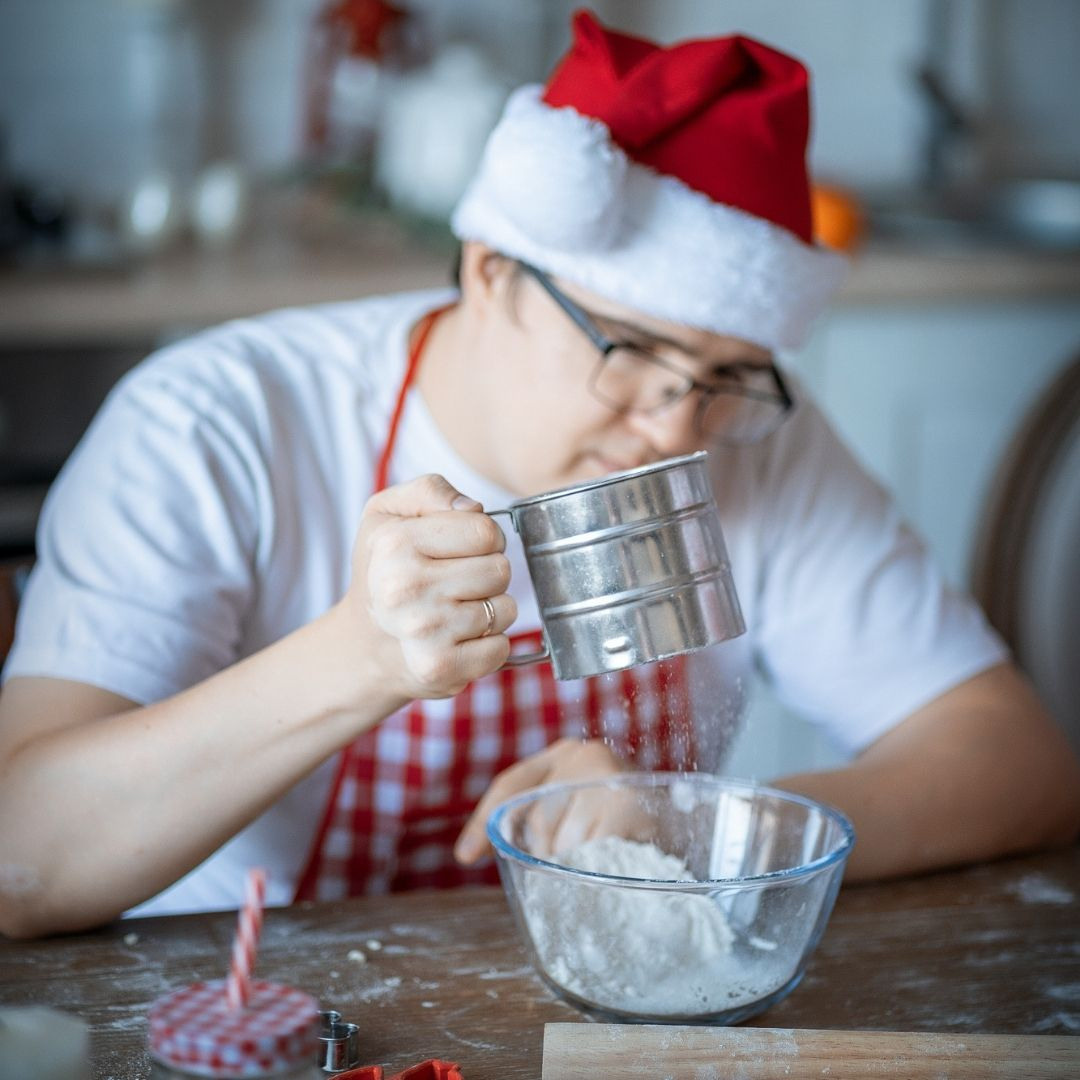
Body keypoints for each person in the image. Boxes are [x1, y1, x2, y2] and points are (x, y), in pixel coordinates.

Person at [1, 10, 1078, 940]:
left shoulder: (756, 438)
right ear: (494, 274)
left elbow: (1018, 766)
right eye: (631, 352)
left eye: (726, 374)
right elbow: (23, 859)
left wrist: (685, 824)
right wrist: (355, 660)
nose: (676, 427)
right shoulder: (218, 424)